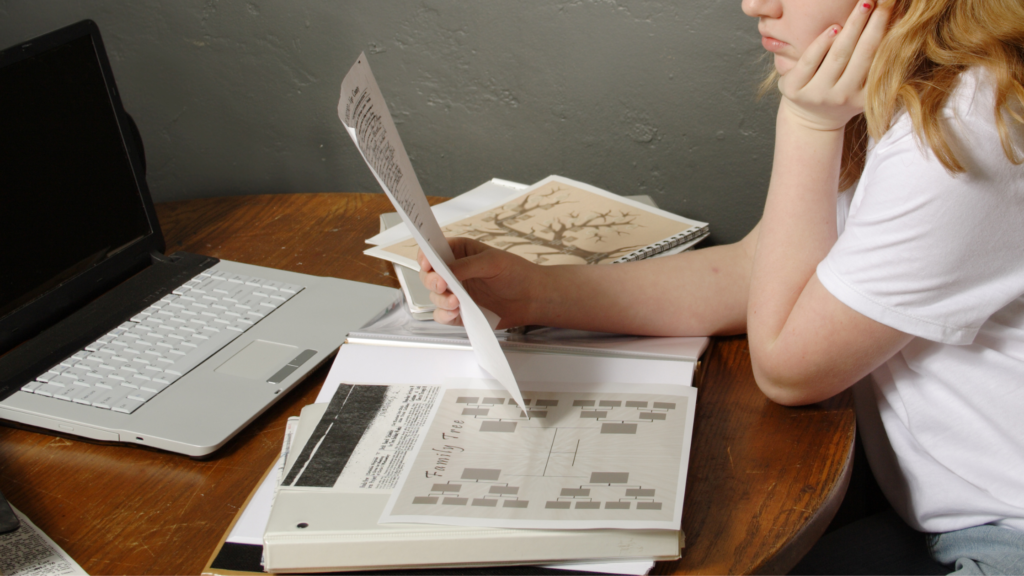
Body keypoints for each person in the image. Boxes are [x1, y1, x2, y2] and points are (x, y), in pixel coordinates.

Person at [418, 0, 1024, 573]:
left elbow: (788, 365)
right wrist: (531, 293)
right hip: (940, 513)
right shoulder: (906, 88)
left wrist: (807, 125)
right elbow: (756, 273)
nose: (755, 5)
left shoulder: (959, 136)